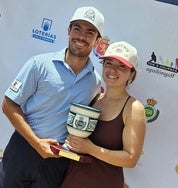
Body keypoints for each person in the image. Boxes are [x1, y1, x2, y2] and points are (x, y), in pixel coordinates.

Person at [0, 6, 105, 188]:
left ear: (97, 40)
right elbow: (8, 104)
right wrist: (36, 143)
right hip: (22, 150)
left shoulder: (94, 82)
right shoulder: (39, 64)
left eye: (90, 32)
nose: (81, 37)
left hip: (57, 160)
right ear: (68, 30)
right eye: (77, 28)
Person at [61, 41, 146, 188]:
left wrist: (91, 149)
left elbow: (131, 159)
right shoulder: (94, 97)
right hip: (72, 180)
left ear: (131, 74)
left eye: (121, 66)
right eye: (108, 63)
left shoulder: (133, 108)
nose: (113, 70)